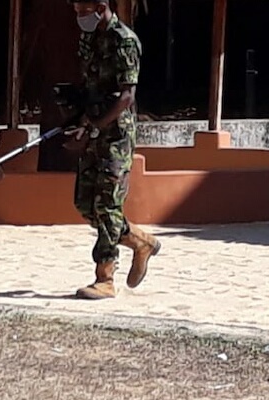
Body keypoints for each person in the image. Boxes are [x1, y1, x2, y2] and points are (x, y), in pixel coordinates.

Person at [65, 0, 161, 300]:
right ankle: (140, 241)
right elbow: (90, 86)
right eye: (76, 11)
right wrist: (80, 117)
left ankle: (105, 278)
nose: (80, 17)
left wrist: (97, 124)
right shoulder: (89, 38)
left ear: (101, 6)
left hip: (116, 135)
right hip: (93, 127)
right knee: (85, 203)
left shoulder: (125, 40)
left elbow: (126, 96)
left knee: (107, 204)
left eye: (84, 11)